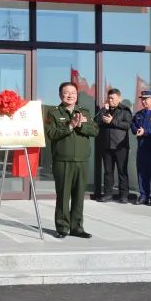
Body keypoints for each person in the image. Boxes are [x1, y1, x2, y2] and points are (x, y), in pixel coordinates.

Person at [44, 82, 98, 238]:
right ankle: (62, 227)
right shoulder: (53, 113)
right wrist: (70, 126)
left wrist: (80, 126)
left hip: (82, 160)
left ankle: (77, 228)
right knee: (63, 195)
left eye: (73, 92)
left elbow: (95, 130)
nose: (70, 95)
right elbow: (51, 134)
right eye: (66, 92)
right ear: (60, 95)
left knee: (79, 196)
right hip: (63, 161)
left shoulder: (84, 112)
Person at [95, 88, 133, 203]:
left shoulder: (125, 110)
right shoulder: (104, 110)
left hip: (120, 147)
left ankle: (124, 195)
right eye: (109, 98)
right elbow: (96, 121)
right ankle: (108, 194)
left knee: (122, 171)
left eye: (113, 98)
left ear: (119, 98)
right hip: (106, 146)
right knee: (108, 172)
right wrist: (103, 109)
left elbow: (128, 125)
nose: (110, 100)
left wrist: (112, 121)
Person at [132, 90, 151, 206]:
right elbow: (133, 125)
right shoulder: (139, 114)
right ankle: (143, 196)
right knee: (142, 172)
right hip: (142, 148)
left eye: (146, 99)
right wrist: (136, 130)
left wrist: (145, 132)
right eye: (142, 99)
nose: (144, 101)